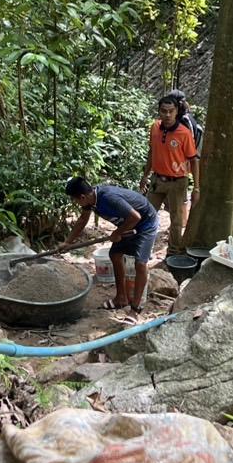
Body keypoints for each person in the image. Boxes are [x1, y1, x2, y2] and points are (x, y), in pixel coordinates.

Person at [65, 175, 157, 313]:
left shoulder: (108, 198)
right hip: (128, 224)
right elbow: (83, 219)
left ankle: (135, 309)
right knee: (115, 254)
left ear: (82, 197)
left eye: (74, 200)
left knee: (140, 264)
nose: (75, 203)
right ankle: (121, 298)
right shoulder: (91, 201)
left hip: (145, 223)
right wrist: (67, 243)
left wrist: (118, 233)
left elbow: (135, 217)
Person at [140, 93, 200, 254]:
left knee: (176, 220)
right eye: (163, 111)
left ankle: (173, 252)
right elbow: (151, 152)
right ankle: (143, 247)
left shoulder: (184, 133)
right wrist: (145, 176)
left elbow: (194, 160)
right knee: (147, 213)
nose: (167, 115)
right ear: (159, 112)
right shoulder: (154, 128)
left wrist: (196, 188)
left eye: (170, 111)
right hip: (157, 179)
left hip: (178, 182)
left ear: (176, 112)